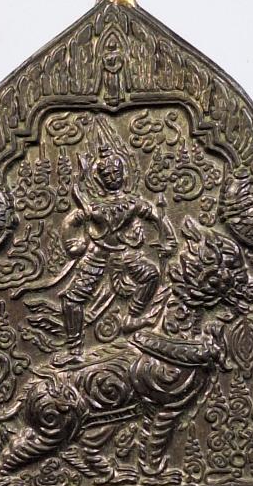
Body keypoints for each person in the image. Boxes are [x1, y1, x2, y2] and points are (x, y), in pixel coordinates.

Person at [52, 142, 176, 368]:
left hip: (125, 254)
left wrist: (169, 239)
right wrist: (72, 244)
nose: (112, 177)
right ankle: (75, 350)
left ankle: (132, 317)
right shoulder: (94, 206)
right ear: (99, 179)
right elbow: (70, 222)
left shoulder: (132, 202)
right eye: (106, 174)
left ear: (123, 174)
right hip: (96, 256)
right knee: (71, 300)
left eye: (115, 172)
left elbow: (157, 217)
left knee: (151, 275)